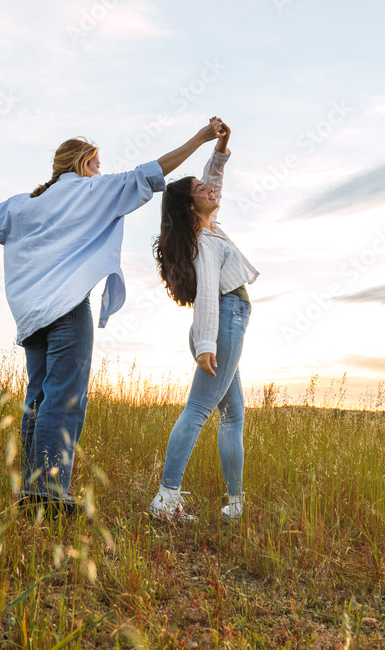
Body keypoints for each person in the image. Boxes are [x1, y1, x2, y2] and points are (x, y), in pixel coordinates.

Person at [0, 118, 226, 515]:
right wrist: (200, 138)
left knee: (39, 396)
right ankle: (47, 493)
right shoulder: (94, 190)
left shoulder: (23, 205)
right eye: (97, 163)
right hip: (66, 307)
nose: (100, 170)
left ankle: (31, 489)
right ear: (85, 163)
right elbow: (156, 169)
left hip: (29, 317)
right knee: (65, 396)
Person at [148, 121, 259, 523]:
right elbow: (209, 296)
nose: (210, 191)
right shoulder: (204, 243)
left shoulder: (207, 228)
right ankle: (166, 499)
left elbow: (211, 183)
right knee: (198, 409)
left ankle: (235, 502)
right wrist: (207, 346)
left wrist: (222, 146)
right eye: (200, 191)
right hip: (223, 323)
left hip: (228, 324)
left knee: (233, 416)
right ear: (190, 206)